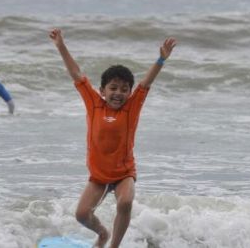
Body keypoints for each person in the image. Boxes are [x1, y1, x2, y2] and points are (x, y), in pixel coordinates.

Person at [49, 28, 176, 248]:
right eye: (113, 88)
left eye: (124, 89)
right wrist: (61, 47)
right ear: (102, 90)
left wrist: (161, 60)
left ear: (129, 93)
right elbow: (77, 74)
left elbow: (145, 84)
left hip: (123, 172)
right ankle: (102, 234)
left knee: (125, 202)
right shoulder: (93, 102)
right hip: (98, 175)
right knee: (81, 214)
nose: (118, 93)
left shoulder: (131, 107)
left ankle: (113, 246)